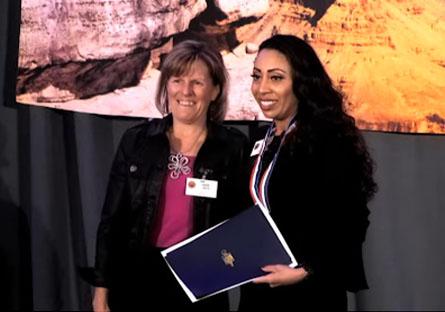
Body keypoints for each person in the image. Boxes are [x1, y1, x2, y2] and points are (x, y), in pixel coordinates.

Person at [82, 40, 250, 311]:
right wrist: (101, 290)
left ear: (215, 90)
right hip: (138, 279)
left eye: (197, 82)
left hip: (201, 281)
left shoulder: (233, 147)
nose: (185, 91)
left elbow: (242, 226)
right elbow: (111, 222)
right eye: (177, 80)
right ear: (166, 86)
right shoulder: (136, 141)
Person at [239, 34, 377, 310]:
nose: (262, 88)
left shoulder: (327, 140)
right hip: (259, 290)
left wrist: (305, 270)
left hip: (309, 292)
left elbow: (352, 220)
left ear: (300, 83)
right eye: (257, 76)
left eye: (276, 78)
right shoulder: (261, 138)